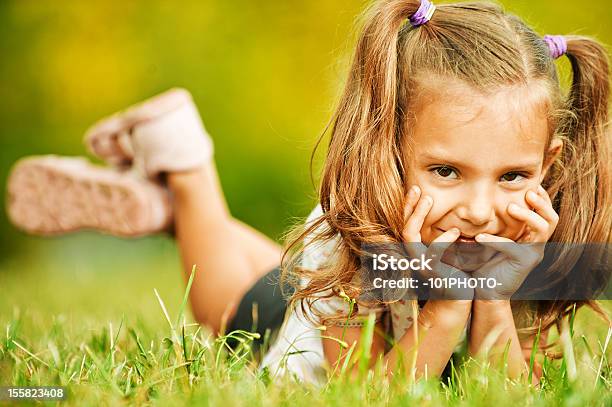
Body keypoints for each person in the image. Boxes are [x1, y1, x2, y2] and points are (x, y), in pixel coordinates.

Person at [6, 0, 610, 386]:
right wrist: (450, 305)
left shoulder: (529, 237)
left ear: (547, 162)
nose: (480, 212)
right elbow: (370, 394)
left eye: (510, 175)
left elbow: (502, 390)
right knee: (225, 295)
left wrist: (498, 296)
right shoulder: (346, 241)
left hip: (304, 280)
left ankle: (165, 203)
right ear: (388, 152)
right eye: (446, 172)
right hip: (290, 321)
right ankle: (185, 169)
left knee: (270, 264)